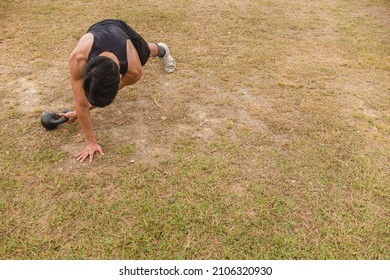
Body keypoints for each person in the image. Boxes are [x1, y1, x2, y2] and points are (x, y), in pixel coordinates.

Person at [61, 19, 176, 163]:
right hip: (100, 29)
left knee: (146, 52)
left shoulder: (134, 71)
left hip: (121, 31)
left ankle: (162, 49)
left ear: (120, 76)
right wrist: (91, 141)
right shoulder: (78, 60)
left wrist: (82, 111)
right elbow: (81, 103)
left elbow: (107, 93)